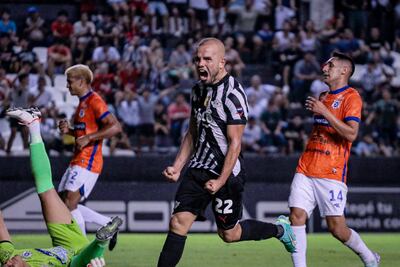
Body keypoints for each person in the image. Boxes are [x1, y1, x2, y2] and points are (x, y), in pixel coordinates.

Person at [157, 38, 296, 267]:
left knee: (229, 234)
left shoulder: (233, 94)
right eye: (198, 59)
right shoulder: (197, 90)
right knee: (178, 223)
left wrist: (221, 180)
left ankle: (280, 230)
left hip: (226, 174)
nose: (200, 64)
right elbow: (192, 131)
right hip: (198, 168)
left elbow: (235, 144)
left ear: (222, 62)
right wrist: (177, 166)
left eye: (207, 59)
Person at [288, 52, 380, 267]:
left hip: (331, 172)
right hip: (306, 166)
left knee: (337, 228)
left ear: (344, 71)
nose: (324, 69)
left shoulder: (351, 97)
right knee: (296, 216)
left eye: (330, 65)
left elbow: (351, 134)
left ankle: (369, 257)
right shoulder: (323, 96)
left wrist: (324, 111)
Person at [2, 107, 123, 267]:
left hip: (67, 245)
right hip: (75, 259)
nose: (8, 264)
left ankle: (33, 124)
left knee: (46, 190)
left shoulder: (8, 256)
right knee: (80, 263)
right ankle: (100, 242)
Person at [58, 65, 122, 237]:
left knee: (69, 203)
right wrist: (69, 131)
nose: (67, 86)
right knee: (62, 202)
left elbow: (115, 127)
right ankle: (108, 224)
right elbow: (84, 133)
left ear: (81, 81)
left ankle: (82, 248)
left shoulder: (94, 101)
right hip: (78, 160)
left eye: (69, 82)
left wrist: (89, 138)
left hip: (89, 162)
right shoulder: (82, 104)